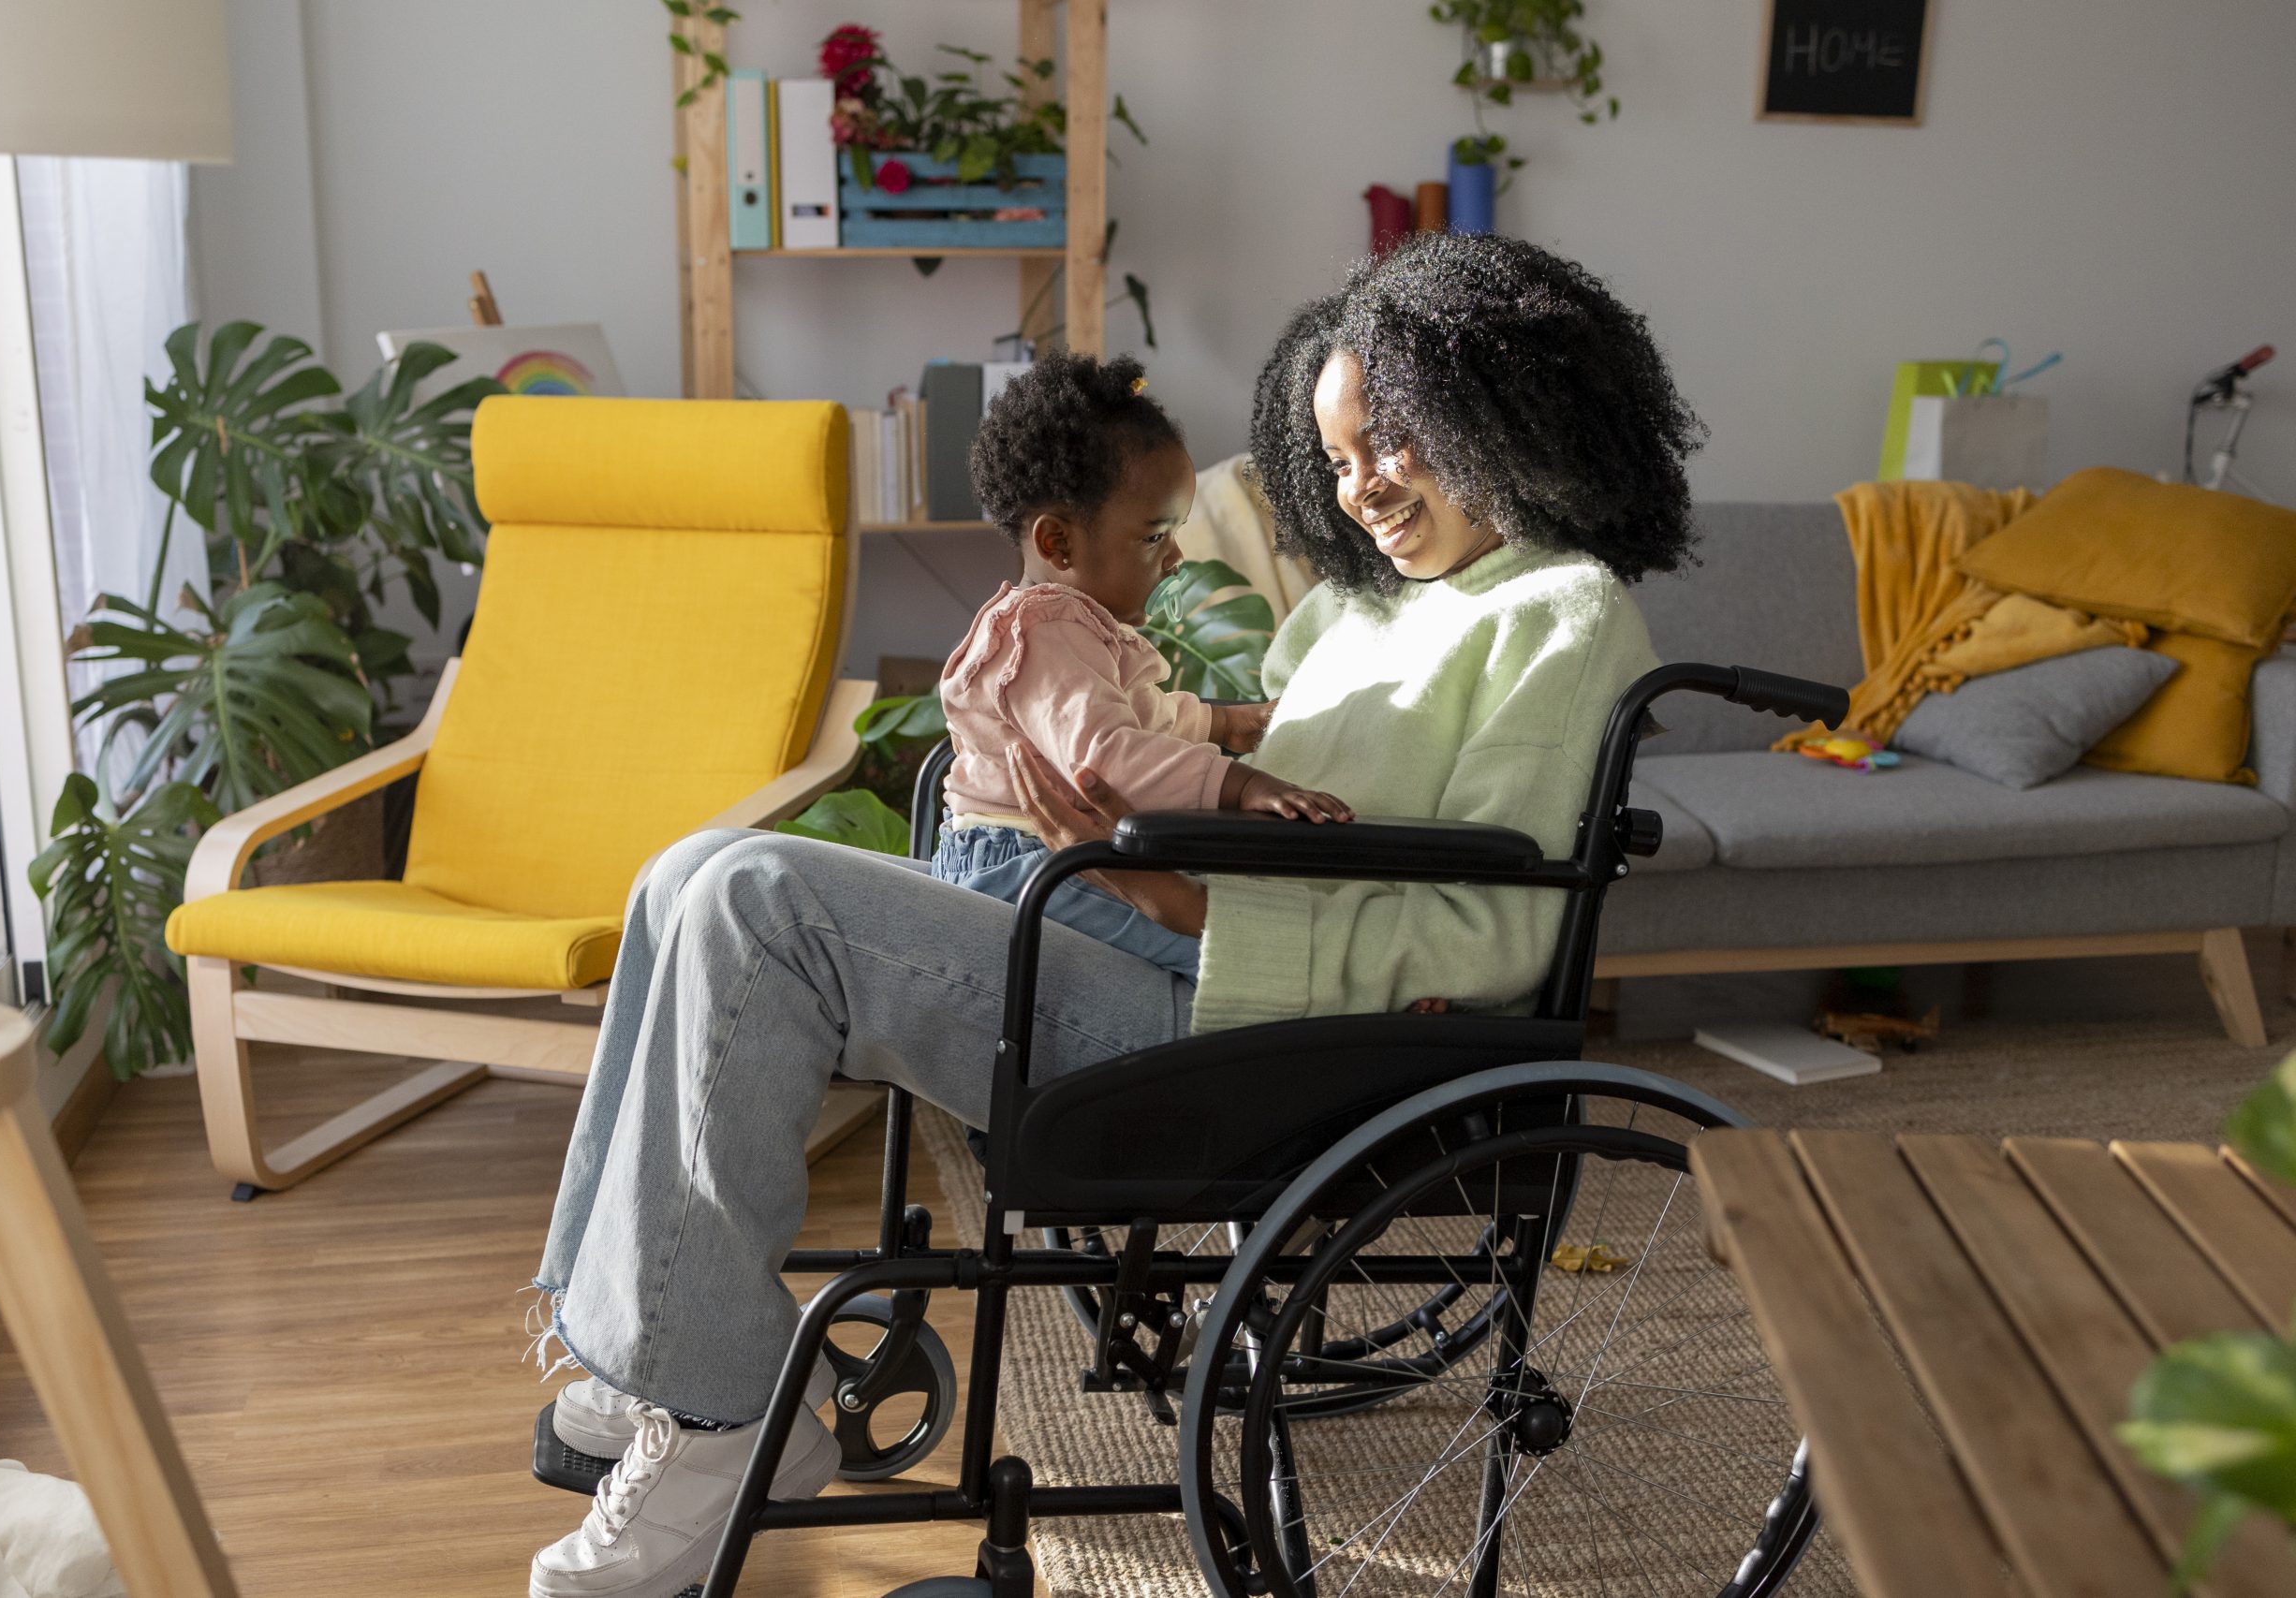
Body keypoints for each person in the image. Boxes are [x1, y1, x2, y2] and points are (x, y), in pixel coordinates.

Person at [522, 232, 1705, 1598]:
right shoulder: (1356, 611)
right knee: (687, 871)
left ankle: (726, 1413)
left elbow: (1494, 926)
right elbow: (1213, 765)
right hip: (1172, 966)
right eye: (1333, 458)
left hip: (1270, 1037)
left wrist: (1177, 897)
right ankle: (658, 1354)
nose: (1360, 487)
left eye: (1386, 441)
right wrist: (1141, 839)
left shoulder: (1563, 615)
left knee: (756, 898)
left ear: (1497, 404)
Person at [934, 351, 1349, 983]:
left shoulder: (1067, 627)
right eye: (1156, 536)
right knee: (1219, 955)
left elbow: (1136, 719)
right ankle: (1353, 988)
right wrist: (1243, 786)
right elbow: (1108, 757)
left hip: (1038, 851)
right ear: (1058, 543)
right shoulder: (1044, 629)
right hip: (1022, 862)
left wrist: (1224, 724)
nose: (1177, 556)